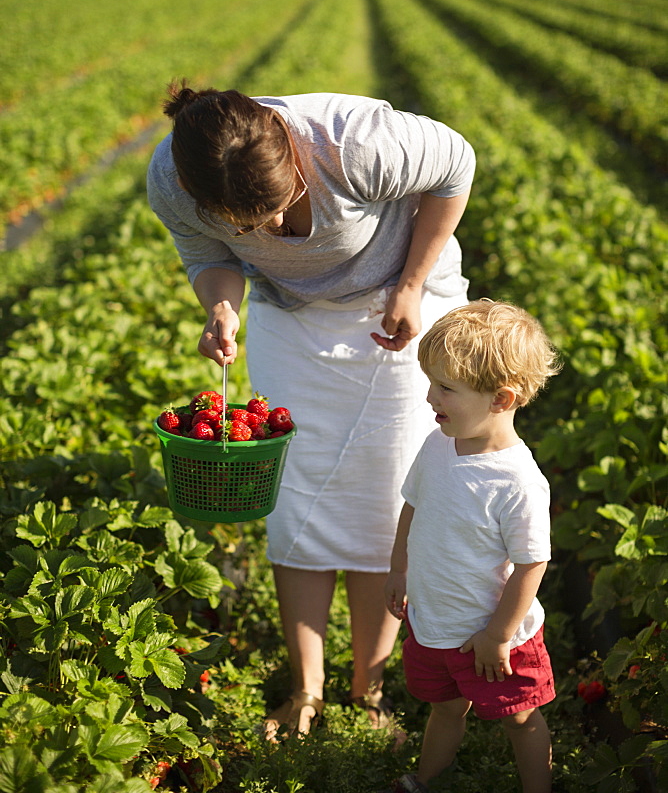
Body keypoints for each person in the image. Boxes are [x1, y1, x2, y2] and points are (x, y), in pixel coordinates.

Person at [147, 85, 475, 739]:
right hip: (291, 320)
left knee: (385, 500)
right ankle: (307, 689)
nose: (268, 231)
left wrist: (411, 285)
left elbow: (456, 165)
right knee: (295, 497)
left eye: (277, 208)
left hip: (396, 305)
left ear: (296, 163)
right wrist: (221, 307)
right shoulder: (172, 179)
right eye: (246, 225)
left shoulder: (355, 144)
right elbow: (208, 258)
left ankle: (368, 688)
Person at [381, 300, 561, 793]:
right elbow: (413, 508)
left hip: (493, 637)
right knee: (444, 707)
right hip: (435, 621)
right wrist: (399, 571)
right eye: (431, 382)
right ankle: (427, 779)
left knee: (519, 719)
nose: (429, 397)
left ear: (501, 399)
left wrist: (499, 635)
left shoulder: (516, 481)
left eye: (446, 388)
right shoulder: (439, 443)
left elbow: (531, 564)